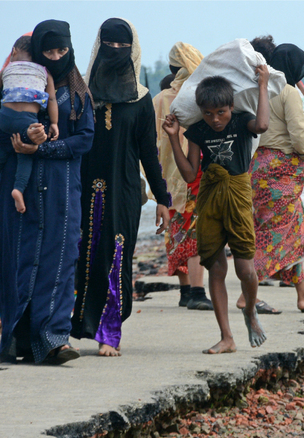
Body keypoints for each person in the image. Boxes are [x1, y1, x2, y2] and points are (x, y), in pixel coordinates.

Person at [72, 18, 171, 357]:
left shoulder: (141, 99)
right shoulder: (82, 92)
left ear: (132, 49)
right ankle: (83, 324)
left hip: (126, 191)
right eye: (109, 45)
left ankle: (109, 332)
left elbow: (149, 152)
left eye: (122, 46)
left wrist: (162, 198)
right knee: (86, 255)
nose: (115, 51)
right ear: (99, 46)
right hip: (84, 190)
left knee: (117, 256)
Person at [0, 19, 93, 364]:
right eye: (48, 50)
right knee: (17, 260)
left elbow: (85, 140)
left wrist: (42, 149)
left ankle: (54, 340)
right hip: (17, 187)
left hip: (61, 189)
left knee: (60, 260)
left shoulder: (78, 93)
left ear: (70, 49)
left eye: (62, 50)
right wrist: (21, 141)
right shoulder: (15, 83)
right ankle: (17, 339)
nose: (55, 56)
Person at [163, 70, 270, 355]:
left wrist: (263, 84)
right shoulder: (198, 130)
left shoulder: (240, 121)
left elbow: (261, 124)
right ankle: (227, 337)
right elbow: (188, 174)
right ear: (201, 112)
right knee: (216, 266)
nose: (216, 119)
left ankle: (249, 310)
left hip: (237, 196)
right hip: (209, 200)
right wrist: (175, 138)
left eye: (221, 112)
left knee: (245, 268)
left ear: (231, 107)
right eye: (208, 113)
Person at [243, 43, 304, 316]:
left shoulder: (258, 90)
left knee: (290, 228)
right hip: (282, 168)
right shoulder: (287, 92)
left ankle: (303, 294)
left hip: (259, 167)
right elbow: (300, 135)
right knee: (274, 233)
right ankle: (248, 296)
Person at [151, 42, 212, 311]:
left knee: (176, 230)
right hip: (197, 171)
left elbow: (150, 142)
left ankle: (186, 290)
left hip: (167, 177)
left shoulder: (160, 99)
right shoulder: (202, 94)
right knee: (198, 232)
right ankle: (198, 291)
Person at [0, 35, 59, 213]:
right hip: (27, 121)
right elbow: (52, 100)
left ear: (14, 52)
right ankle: (18, 189)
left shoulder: (6, 69)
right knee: (24, 155)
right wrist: (54, 123)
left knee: (3, 149)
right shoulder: (44, 72)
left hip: (4, 116)